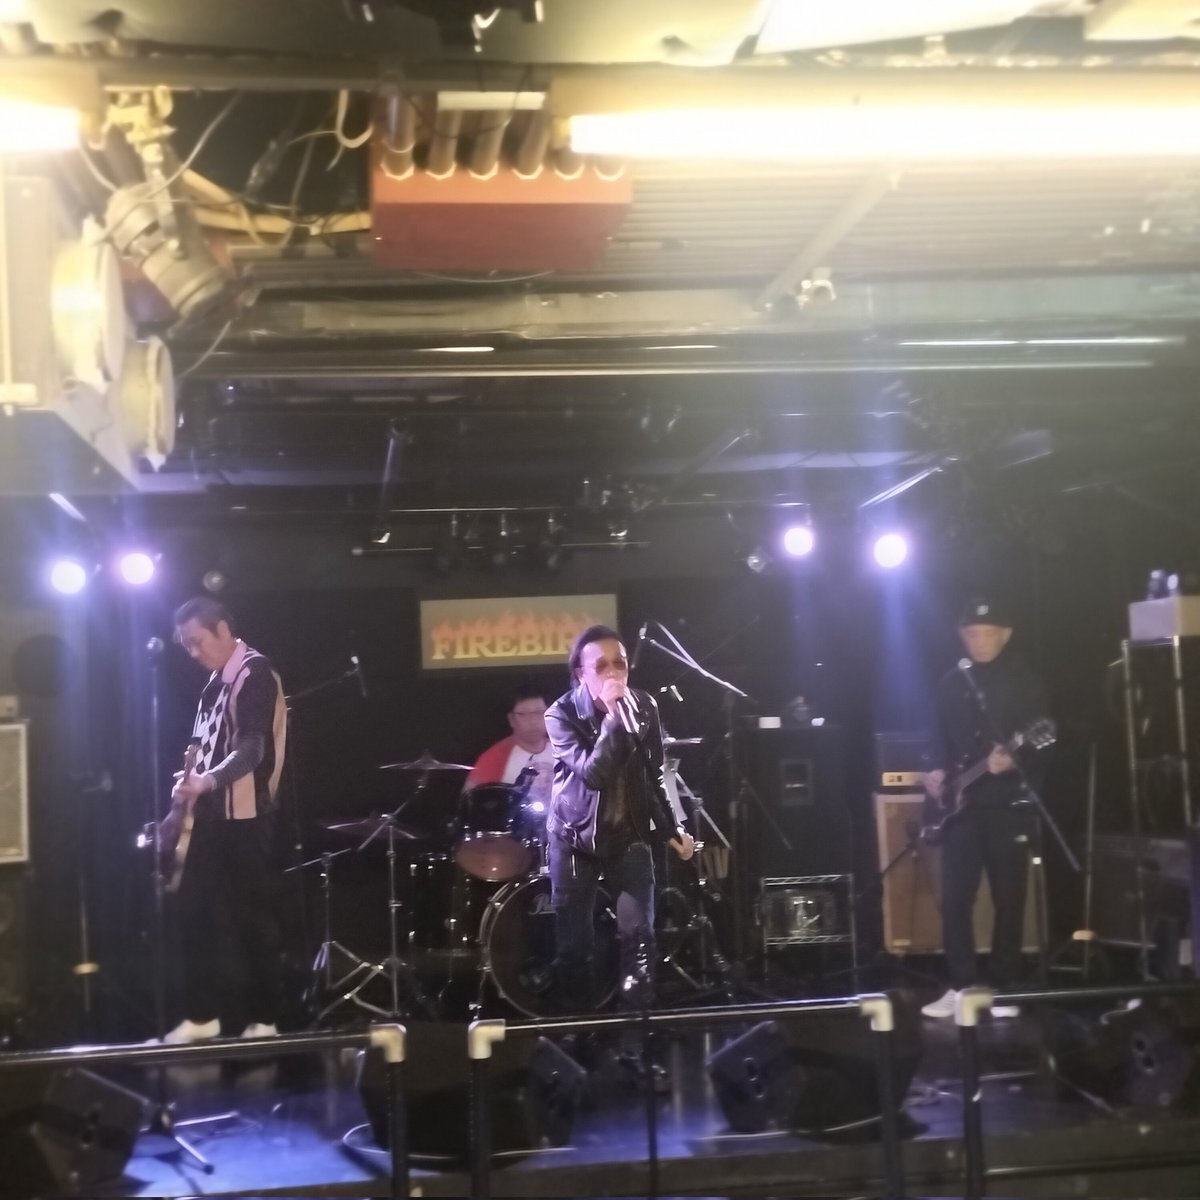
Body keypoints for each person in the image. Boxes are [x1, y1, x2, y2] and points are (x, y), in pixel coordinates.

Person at [545, 624, 695, 1020]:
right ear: (581, 673)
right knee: (575, 947)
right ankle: (577, 1031)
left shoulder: (644, 706)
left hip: (628, 834)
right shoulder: (561, 714)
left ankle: (634, 1035)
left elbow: (654, 772)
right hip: (574, 838)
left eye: (620, 664)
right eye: (601, 666)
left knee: (640, 939)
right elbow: (593, 774)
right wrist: (613, 720)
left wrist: (673, 827)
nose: (613, 673)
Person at [159, 597, 288, 1043]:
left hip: (247, 816)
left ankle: (266, 1019)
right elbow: (205, 749)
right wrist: (187, 790)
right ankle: (202, 1017)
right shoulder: (214, 683)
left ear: (223, 630)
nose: (193, 653)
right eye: (187, 646)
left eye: (197, 642)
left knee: (252, 918)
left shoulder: (254, 674)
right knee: (194, 912)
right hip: (211, 814)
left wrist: (207, 781)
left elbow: (252, 749)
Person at [921, 597, 1050, 1020]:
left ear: (1005, 636)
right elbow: (936, 736)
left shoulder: (1025, 682)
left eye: (987, 633)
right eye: (972, 634)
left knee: (1008, 897)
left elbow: (1043, 737)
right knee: (955, 898)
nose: (979, 641)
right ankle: (961, 984)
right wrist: (934, 769)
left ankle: (1004, 986)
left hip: (1006, 805)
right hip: (960, 807)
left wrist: (1013, 759)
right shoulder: (950, 682)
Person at [466, 683, 554, 812]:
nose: (533, 721)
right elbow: (469, 801)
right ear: (511, 720)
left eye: (539, 712)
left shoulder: (563, 750)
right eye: (523, 714)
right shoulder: (494, 758)